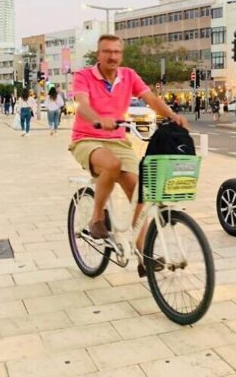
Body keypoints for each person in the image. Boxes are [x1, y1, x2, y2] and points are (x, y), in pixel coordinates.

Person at [69, 34, 187, 250]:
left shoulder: (129, 76)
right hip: (87, 138)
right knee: (111, 164)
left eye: (116, 52)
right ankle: (96, 218)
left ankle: (143, 252)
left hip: (118, 141)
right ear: (99, 54)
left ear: (121, 55)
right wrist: (98, 119)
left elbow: (151, 98)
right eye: (107, 51)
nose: (112, 56)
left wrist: (171, 115)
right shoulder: (83, 76)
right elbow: (82, 104)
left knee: (141, 191)